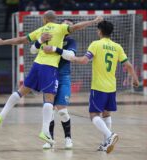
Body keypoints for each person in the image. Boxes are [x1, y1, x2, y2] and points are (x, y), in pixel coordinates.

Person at [0, 10, 102, 145]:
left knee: (21, 91)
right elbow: (77, 26)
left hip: (37, 65)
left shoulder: (42, 29)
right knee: (49, 99)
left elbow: (21, 40)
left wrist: (3, 42)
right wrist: (93, 21)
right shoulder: (60, 28)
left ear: (45, 19)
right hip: (49, 67)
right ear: (55, 19)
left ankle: (1, 115)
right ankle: (45, 132)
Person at [45, 20, 139, 153]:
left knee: (94, 115)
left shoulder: (96, 44)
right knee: (106, 114)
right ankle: (105, 143)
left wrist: (74, 59)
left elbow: (84, 60)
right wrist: (135, 79)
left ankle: (110, 135)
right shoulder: (117, 47)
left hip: (99, 86)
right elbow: (128, 65)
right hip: (112, 86)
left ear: (100, 31)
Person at [30, 19, 77, 149]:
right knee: (49, 109)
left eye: (70, 24)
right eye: (65, 23)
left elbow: (70, 56)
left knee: (62, 110)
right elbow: (33, 49)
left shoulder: (71, 42)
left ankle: (68, 138)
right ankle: (49, 138)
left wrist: (55, 49)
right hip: (49, 74)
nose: (67, 26)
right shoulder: (49, 37)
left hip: (63, 77)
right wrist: (39, 42)